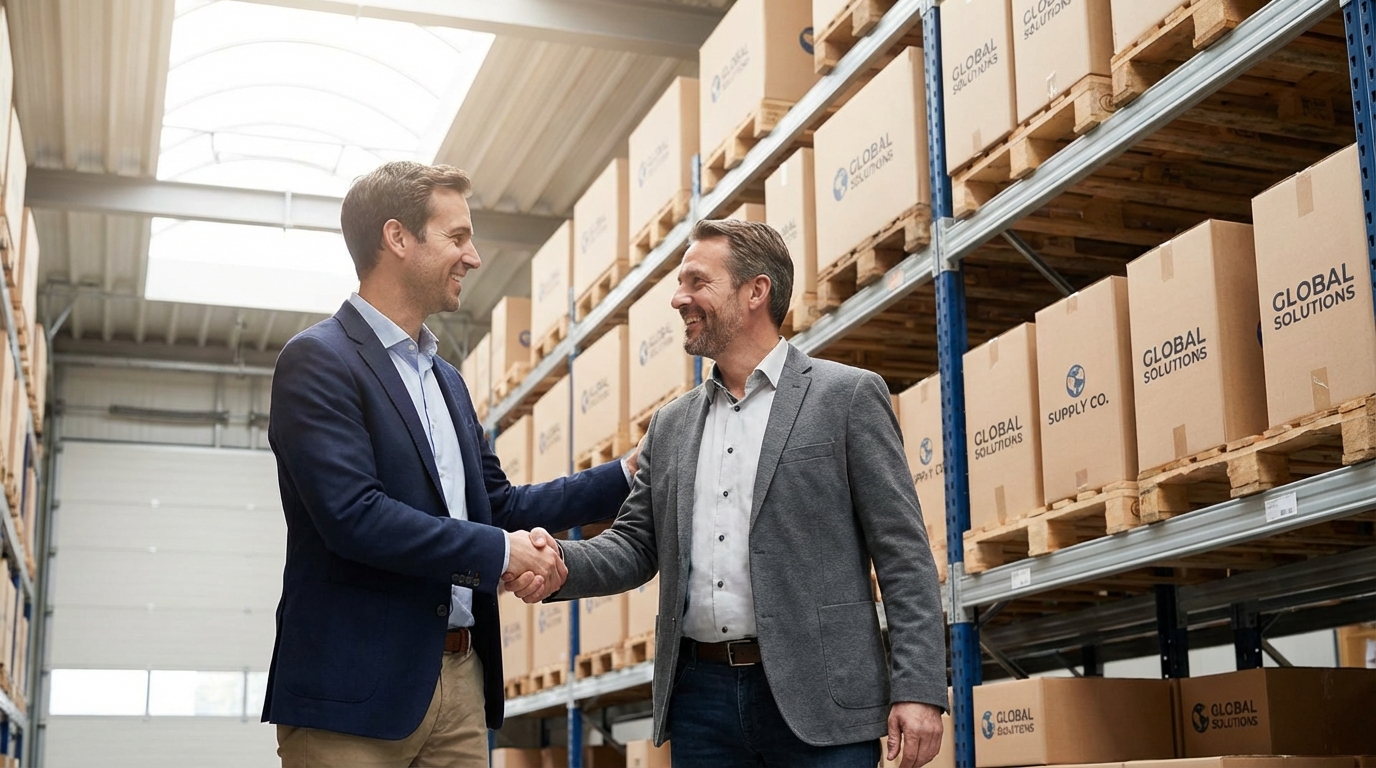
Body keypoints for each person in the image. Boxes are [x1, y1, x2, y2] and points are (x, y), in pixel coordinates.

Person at [509, 219, 947, 768]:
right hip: (703, 702)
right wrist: (558, 562)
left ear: (755, 291)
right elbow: (636, 544)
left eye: (697, 282)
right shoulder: (670, 426)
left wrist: (920, 688)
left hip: (821, 699)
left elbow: (903, 553)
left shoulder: (847, 397)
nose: (678, 299)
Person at [263, 161, 632, 767]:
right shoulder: (318, 361)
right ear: (398, 238)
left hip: (460, 682)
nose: (474, 256)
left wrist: (625, 475)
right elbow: (353, 516)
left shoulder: (448, 381)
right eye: (457, 237)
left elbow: (500, 506)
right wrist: (499, 553)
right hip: (354, 694)